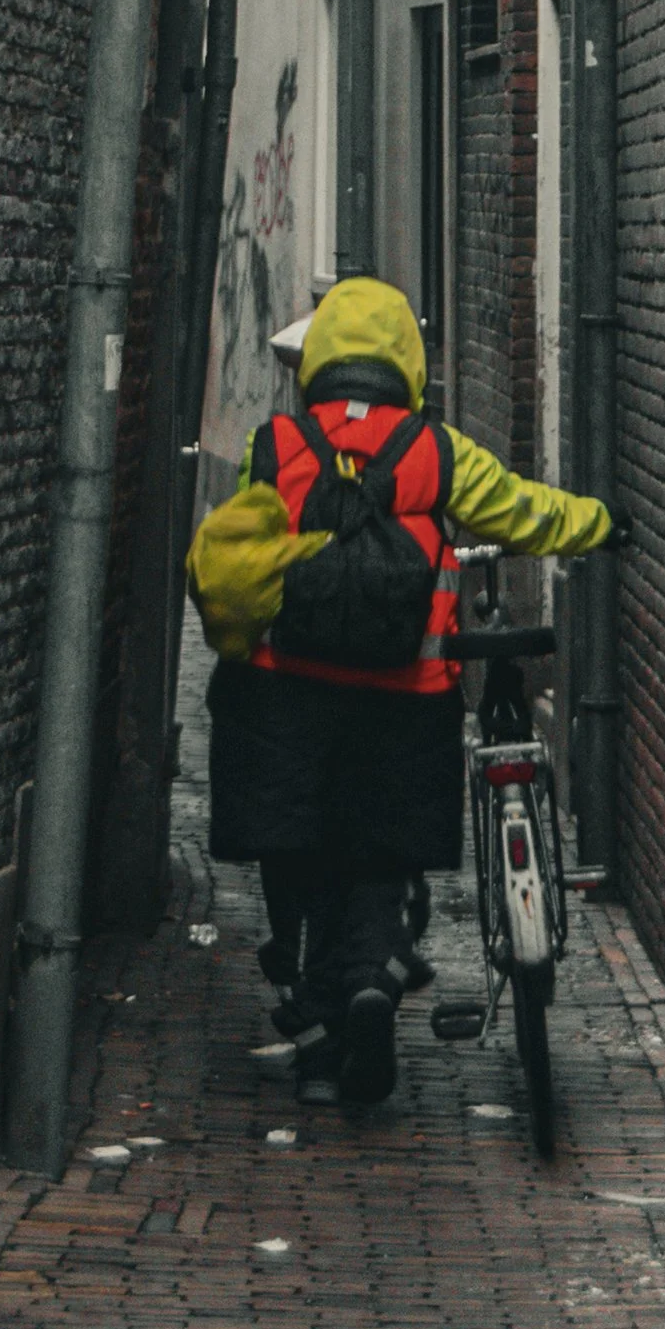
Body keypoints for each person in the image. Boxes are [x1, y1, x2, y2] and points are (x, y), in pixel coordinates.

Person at [186, 276, 622, 1108]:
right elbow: (524, 512)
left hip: (291, 696)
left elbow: (239, 556)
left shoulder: (275, 447)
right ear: (405, 362)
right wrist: (603, 522)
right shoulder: (437, 452)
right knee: (378, 858)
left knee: (307, 856)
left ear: (319, 358)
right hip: (403, 697)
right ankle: (373, 986)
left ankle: (320, 1015)